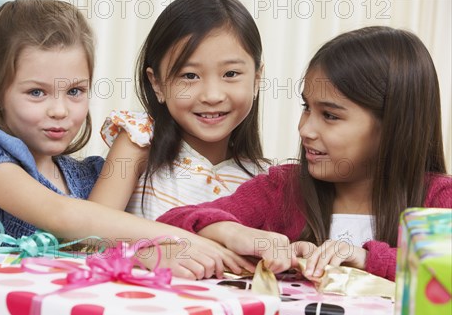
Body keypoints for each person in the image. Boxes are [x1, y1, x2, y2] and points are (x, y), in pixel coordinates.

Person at [0, 0, 254, 280]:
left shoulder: (88, 177)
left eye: (75, 91)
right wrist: (175, 239)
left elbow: (91, 253)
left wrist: (147, 252)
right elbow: (62, 216)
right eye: (36, 92)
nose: (60, 110)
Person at [157, 26, 452, 281]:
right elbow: (169, 225)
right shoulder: (284, 189)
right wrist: (231, 232)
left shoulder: (438, 201)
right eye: (307, 107)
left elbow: (443, 271)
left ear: (394, 126)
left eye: (330, 116)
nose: (305, 128)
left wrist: (367, 260)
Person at [89, 0, 268, 220]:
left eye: (230, 74)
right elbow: (90, 230)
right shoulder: (141, 140)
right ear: (158, 84)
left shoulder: (261, 179)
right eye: (190, 76)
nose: (212, 96)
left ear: (256, 79)